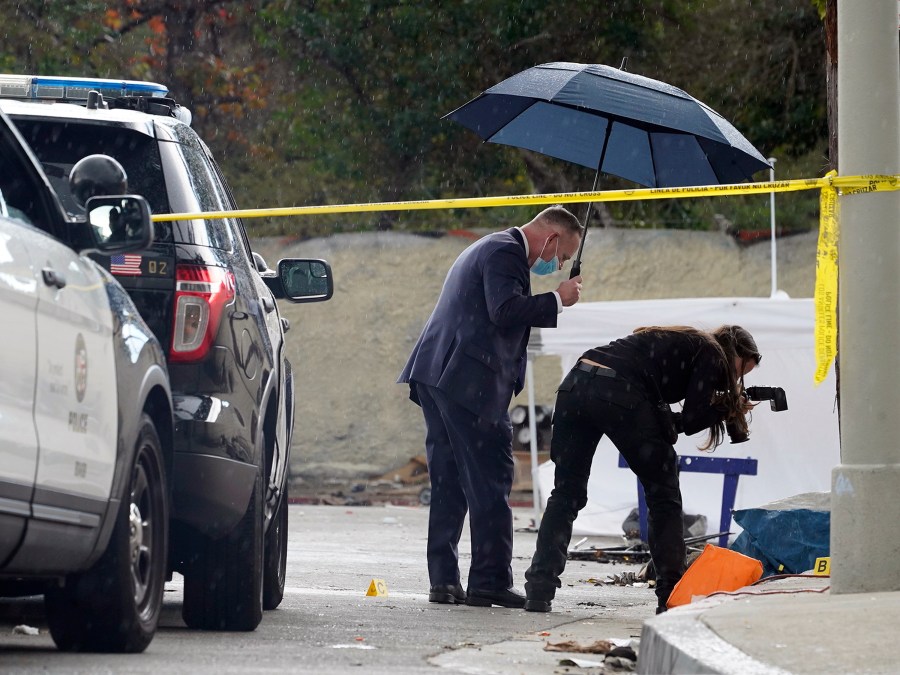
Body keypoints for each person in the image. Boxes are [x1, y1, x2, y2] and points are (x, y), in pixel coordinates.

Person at [398, 205, 584, 608]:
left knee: (448, 480)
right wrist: (556, 298)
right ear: (551, 238)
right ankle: (489, 580)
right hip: (467, 381)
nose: (559, 264)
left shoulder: (490, 245)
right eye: (563, 255)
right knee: (491, 478)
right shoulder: (506, 253)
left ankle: (444, 581)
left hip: (439, 373)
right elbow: (504, 311)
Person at [523, 324, 761, 615]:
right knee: (664, 496)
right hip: (619, 391)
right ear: (733, 351)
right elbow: (693, 418)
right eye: (740, 371)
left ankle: (538, 589)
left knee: (566, 493)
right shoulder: (712, 352)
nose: (736, 378)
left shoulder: (680, 342)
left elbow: (671, 420)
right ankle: (670, 596)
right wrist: (729, 407)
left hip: (576, 383)